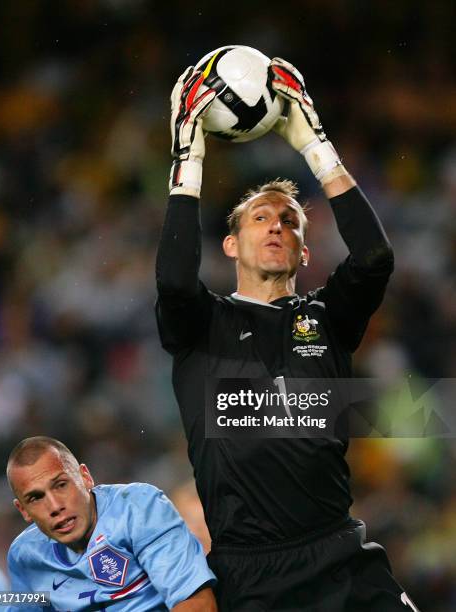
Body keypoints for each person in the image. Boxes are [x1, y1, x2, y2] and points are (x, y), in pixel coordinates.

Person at [155, 57, 420, 611]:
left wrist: (314, 144)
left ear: (305, 250)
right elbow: (175, 281)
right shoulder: (201, 324)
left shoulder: (329, 317)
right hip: (252, 575)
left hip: (342, 555)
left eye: (290, 220)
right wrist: (190, 159)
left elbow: (374, 258)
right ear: (229, 245)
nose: (276, 224)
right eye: (259, 217)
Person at [6, 436, 217, 611]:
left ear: (85, 477)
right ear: (23, 510)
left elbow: (197, 603)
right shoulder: (25, 555)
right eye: (36, 498)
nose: (54, 506)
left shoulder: (138, 508)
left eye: (61, 485)